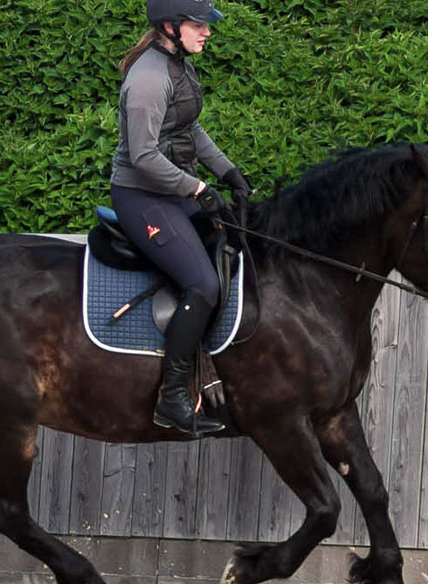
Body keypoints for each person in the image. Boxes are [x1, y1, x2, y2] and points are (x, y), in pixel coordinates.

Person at [111, 0, 251, 434]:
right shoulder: (150, 79)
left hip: (171, 191)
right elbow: (145, 155)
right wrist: (198, 187)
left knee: (237, 241)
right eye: (199, 25)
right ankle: (172, 398)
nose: (207, 32)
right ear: (170, 27)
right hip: (142, 197)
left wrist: (227, 172)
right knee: (203, 282)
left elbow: (189, 129)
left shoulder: (178, 66)